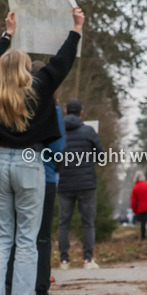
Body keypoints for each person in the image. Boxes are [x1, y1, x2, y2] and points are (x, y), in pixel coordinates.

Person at [0, 7, 83, 295]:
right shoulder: (40, 86)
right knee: (27, 239)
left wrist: (7, 35)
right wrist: (75, 28)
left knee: (0, 237)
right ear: (26, 69)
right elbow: (62, 62)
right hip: (31, 163)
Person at [3, 64, 66, 295]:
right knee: (39, 237)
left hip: (7, 173)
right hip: (43, 177)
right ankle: (40, 291)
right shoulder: (51, 108)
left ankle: (8, 288)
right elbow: (58, 149)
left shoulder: (9, 103)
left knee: (9, 234)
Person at [57, 98, 103, 269]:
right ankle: (88, 260)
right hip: (87, 183)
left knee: (64, 222)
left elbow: (54, 154)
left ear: (66, 112)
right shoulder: (89, 131)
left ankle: (64, 261)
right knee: (88, 222)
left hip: (64, 183)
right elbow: (101, 155)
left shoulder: (59, 131)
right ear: (82, 113)